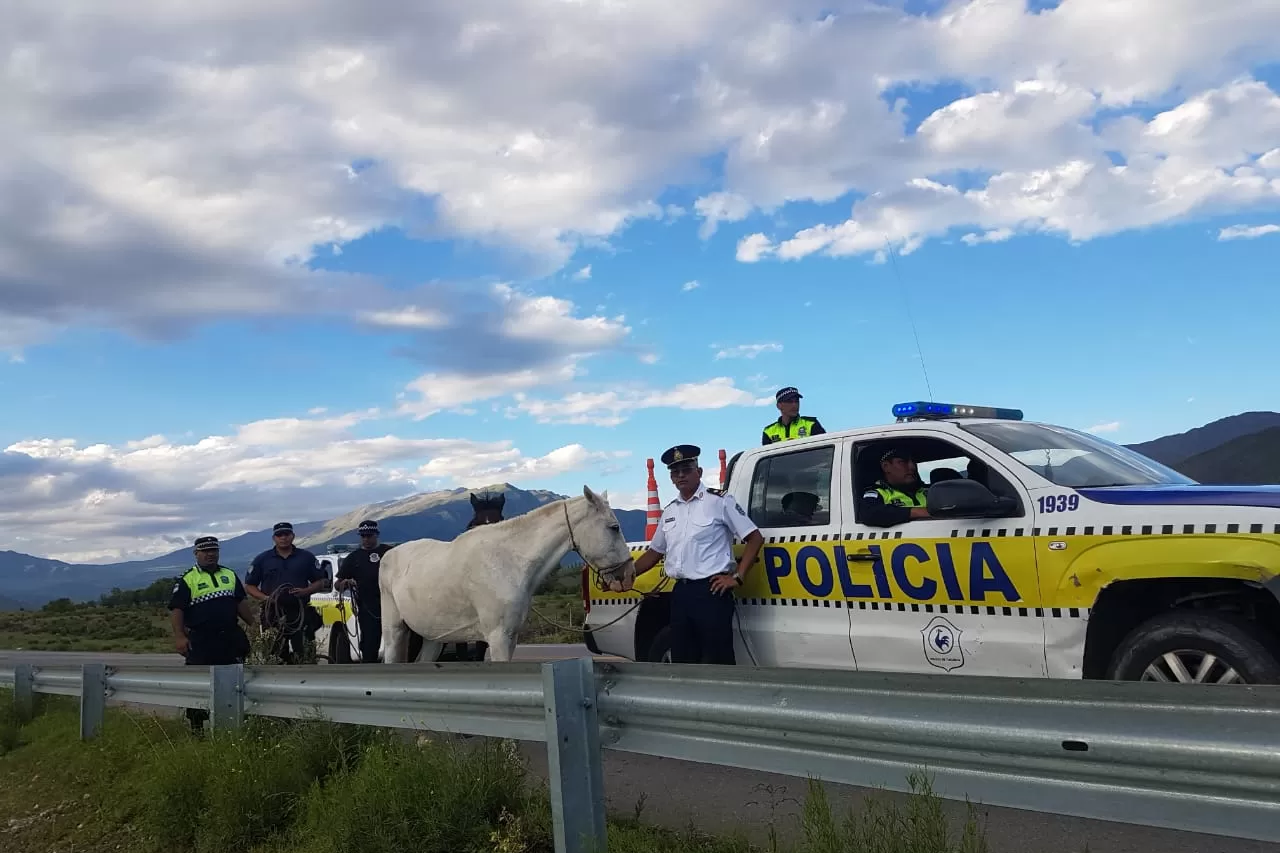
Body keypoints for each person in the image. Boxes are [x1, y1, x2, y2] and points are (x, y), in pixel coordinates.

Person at [628, 444, 765, 664]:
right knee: (683, 658)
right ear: (671, 478)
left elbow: (754, 538)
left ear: (698, 472)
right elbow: (654, 553)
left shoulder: (719, 501)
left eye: (686, 469)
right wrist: (626, 574)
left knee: (718, 659)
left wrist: (737, 577)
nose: (681, 475)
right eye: (675, 472)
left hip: (710, 592)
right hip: (680, 594)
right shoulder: (670, 511)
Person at [168, 536, 255, 732]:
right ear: (196, 554)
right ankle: (197, 728)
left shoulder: (230, 575)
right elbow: (177, 610)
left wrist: (254, 624)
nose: (210, 554)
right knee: (199, 684)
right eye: (205, 551)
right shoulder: (187, 579)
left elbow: (240, 602)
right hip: (201, 640)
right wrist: (180, 637)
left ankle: (236, 724)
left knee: (237, 680)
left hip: (230, 637)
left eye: (214, 550)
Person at [245, 522, 329, 664]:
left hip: (300, 611)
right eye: (279, 535)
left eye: (286, 534)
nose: (283, 537)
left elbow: (321, 581)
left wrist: (306, 591)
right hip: (273, 613)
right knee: (275, 655)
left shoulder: (306, 557)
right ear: (274, 538)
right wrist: (266, 598)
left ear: (293, 536)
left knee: (305, 655)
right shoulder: (262, 559)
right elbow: (249, 586)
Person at [334, 519, 393, 663]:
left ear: (376, 535)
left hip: (392, 605)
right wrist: (346, 583)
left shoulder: (389, 553)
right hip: (368, 607)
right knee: (370, 643)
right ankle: (370, 673)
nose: (366, 539)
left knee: (396, 640)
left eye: (369, 535)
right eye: (363, 536)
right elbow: (337, 583)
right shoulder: (353, 558)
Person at [860, 448, 932, 527]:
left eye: (914, 462)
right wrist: (915, 512)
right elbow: (869, 513)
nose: (912, 467)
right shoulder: (879, 493)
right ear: (886, 466)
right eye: (902, 462)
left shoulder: (930, 492)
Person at [762, 386, 826, 445]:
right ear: (779, 406)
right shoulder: (768, 431)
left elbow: (825, 449)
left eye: (797, 401)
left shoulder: (811, 423)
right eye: (789, 401)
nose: (794, 405)